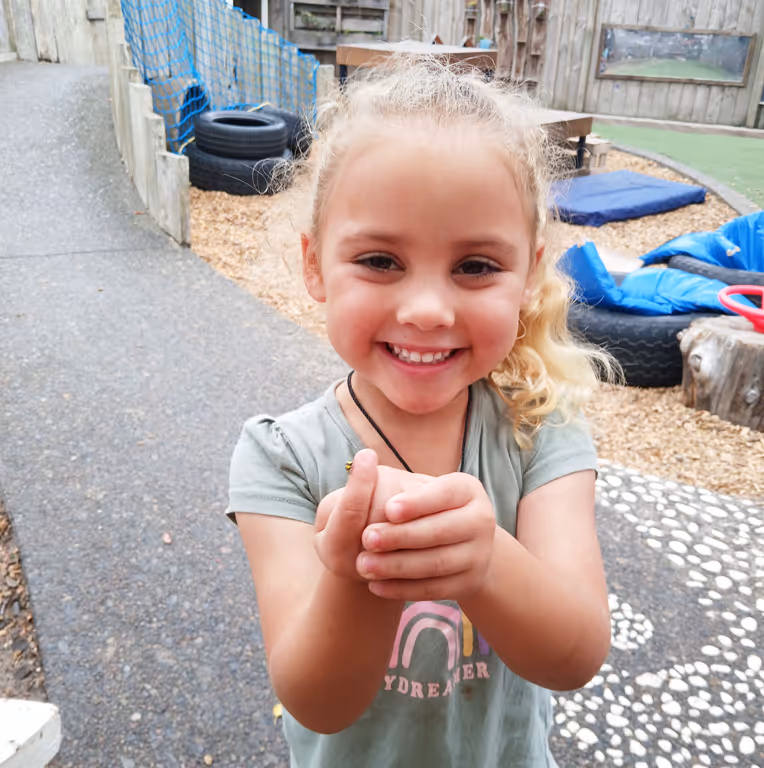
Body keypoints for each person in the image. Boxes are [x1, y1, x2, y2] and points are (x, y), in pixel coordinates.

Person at [227, 57, 615, 767]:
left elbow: (577, 653)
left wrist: (487, 560)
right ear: (315, 266)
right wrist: (359, 576)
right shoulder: (279, 456)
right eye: (379, 260)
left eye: (475, 266)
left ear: (528, 274)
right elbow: (315, 700)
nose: (429, 310)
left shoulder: (540, 430)